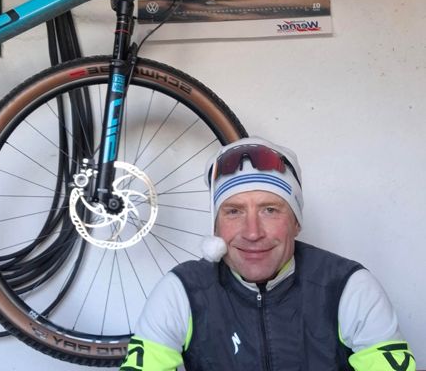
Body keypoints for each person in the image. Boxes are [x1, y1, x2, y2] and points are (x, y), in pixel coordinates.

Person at [120, 136, 416, 371]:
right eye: (234, 211)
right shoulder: (183, 290)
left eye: (270, 210)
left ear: (296, 222)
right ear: (216, 227)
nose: (252, 232)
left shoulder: (347, 286)